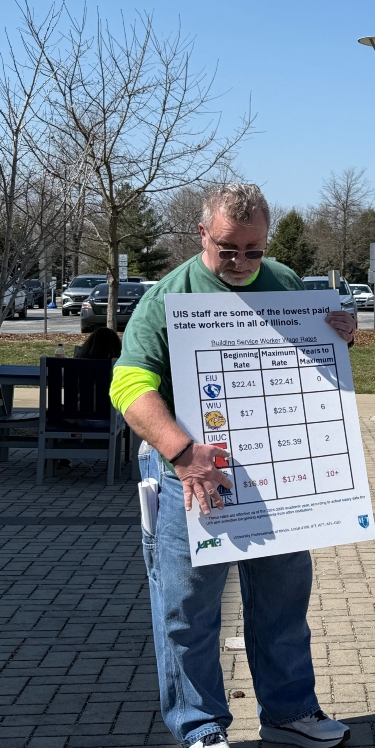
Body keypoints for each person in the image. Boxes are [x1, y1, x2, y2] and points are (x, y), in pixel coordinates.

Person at [110, 183, 358, 748]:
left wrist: (341, 336)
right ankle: (199, 727)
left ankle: (290, 713)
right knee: (188, 613)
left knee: (282, 604)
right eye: (228, 249)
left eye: (254, 249)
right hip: (189, 478)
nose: (243, 262)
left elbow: (310, 363)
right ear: (203, 234)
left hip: (277, 474)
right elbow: (128, 386)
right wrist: (181, 452)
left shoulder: (287, 282)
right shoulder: (166, 297)